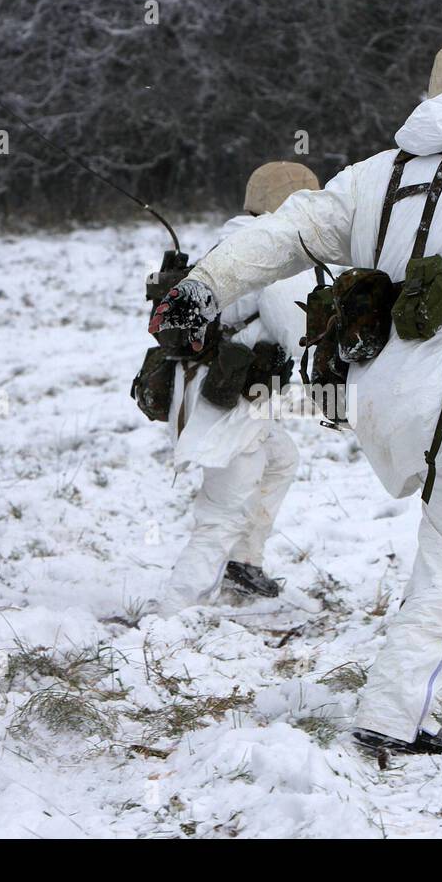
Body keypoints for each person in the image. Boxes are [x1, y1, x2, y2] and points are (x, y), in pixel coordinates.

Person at [150, 36, 442, 753]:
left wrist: (202, 286)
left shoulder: (375, 174)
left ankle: (434, 639)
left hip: (382, 390)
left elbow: (286, 233)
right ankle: (397, 712)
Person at [157, 162, 319, 607]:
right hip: (227, 401)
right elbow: (299, 330)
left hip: (216, 389)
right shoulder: (272, 254)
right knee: (221, 513)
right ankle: (177, 607)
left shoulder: (231, 242)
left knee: (281, 459)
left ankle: (242, 564)